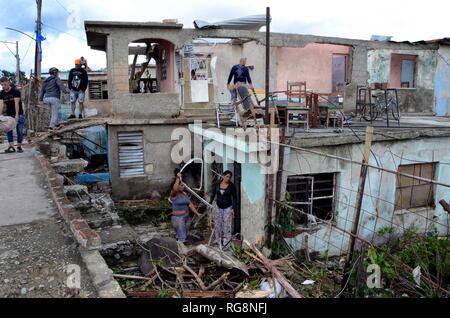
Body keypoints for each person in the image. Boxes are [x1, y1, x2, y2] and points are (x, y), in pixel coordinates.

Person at [170, 169, 201, 243]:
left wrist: (197, 213)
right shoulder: (173, 194)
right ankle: (181, 251)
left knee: (184, 235)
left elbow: (190, 204)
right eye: (181, 185)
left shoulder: (184, 194)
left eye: (183, 185)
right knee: (182, 237)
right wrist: (177, 178)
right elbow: (174, 188)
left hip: (186, 217)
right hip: (178, 219)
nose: (183, 186)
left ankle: (180, 246)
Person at [209, 170, 238, 249]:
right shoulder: (217, 183)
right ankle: (217, 240)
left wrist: (233, 209)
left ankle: (226, 242)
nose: (228, 178)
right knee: (217, 223)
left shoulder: (232, 186)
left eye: (229, 177)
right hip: (218, 206)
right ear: (223, 176)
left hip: (227, 207)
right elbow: (213, 193)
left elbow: (234, 198)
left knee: (226, 225)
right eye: (227, 176)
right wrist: (210, 203)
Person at [226, 57, 257, 125]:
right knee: (246, 98)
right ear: (243, 61)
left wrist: (228, 84)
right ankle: (248, 110)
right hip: (242, 86)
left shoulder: (234, 67)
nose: (245, 62)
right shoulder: (245, 68)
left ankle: (234, 113)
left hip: (236, 85)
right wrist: (251, 85)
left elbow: (230, 76)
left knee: (236, 98)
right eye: (245, 61)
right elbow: (248, 78)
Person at [0, 77, 25, 153]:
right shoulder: (1, 93)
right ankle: (11, 146)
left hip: (19, 113)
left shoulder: (15, 91)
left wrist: (17, 115)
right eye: (2, 85)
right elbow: (1, 104)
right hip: (9, 114)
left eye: (5, 84)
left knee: (19, 131)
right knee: (8, 130)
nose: (3, 86)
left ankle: (19, 146)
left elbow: (16, 103)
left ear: (8, 83)